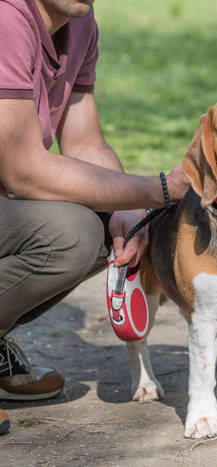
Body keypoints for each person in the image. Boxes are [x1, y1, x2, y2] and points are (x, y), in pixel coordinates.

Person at [0, 0, 190, 434]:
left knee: (111, 227)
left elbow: (85, 144)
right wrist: (158, 190)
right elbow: (21, 169)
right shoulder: (6, 19)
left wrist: (131, 210)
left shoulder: (80, 24)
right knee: (70, 235)